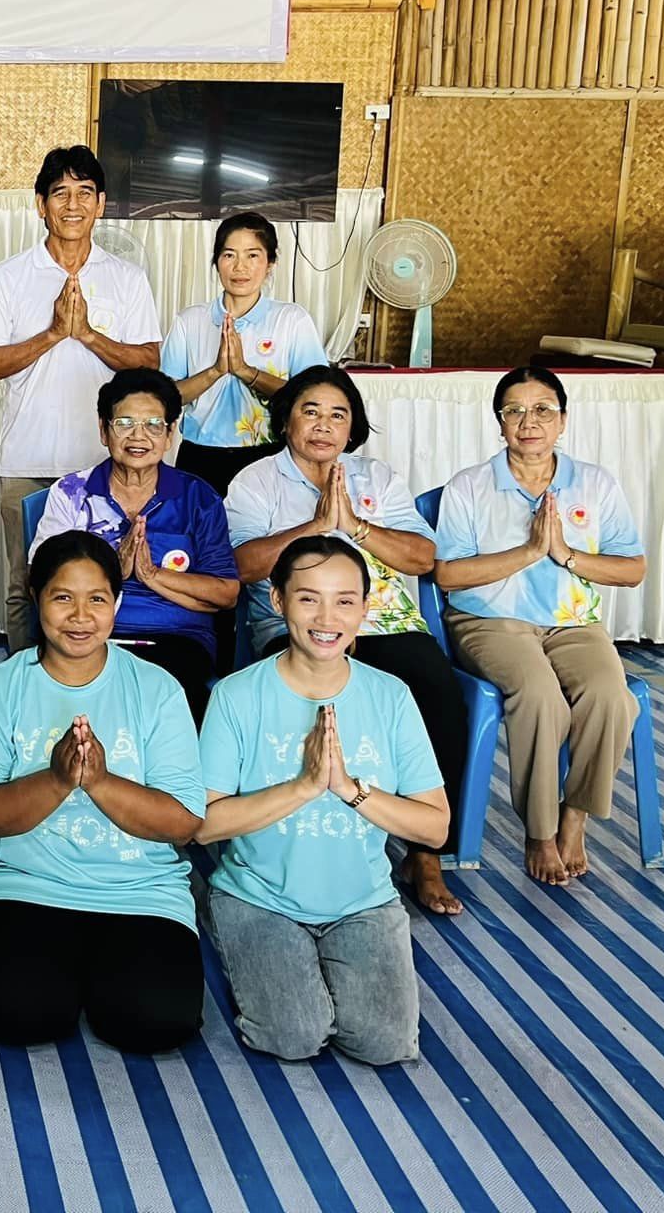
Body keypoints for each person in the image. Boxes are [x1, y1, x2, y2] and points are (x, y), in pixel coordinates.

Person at [225, 365, 468, 916]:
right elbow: (241, 565)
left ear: (352, 426)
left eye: (338, 414)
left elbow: (423, 557)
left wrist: (355, 525)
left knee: (433, 684)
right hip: (294, 620)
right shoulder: (256, 481)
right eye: (310, 411)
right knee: (303, 690)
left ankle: (426, 854)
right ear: (285, 419)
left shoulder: (376, 478)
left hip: (379, 617)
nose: (323, 425)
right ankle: (287, 837)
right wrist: (312, 526)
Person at [197, 537, 448, 1065]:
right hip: (259, 899)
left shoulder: (391, 696)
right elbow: (204, 825)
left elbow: (434, 829)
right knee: (295, 1036)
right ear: (277, 600)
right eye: (308, 598)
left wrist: (349, 789)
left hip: (365, 903)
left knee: (384, 1044)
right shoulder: (237, 696)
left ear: (365, 606)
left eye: (345, 600)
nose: (327, 617)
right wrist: (304, 787)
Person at [0, 531, 206, 1053]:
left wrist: (100, 783)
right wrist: (56, 781)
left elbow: (183, 823)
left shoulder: (156, 688)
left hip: (140, 891)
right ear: (36, 597)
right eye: (62, 597)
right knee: (20, 1016)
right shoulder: (0, 686)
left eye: (97, 599)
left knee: (155, 1023)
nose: (80, 616)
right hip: (26, 884)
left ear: (117, 603)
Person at [432, 366, 647, 888]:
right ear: (500, 423)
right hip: (490, 620)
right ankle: (540, 830)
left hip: (573, 623)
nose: (530, 421)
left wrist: (566, 556)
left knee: (611, 697)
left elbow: (632, 569)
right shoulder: (470, 487)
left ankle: (575, 814)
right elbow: (448, 575)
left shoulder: (594, 483)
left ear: (563, 420)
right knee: (540, 696)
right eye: (515, 411)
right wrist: (528, 552)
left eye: (543, 409)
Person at [0, 146, 161, 650]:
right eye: (60, 193)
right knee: (26, 583)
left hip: (105, 462)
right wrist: (54, 333)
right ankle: (22, 689)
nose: (72, 205)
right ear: (40, 204)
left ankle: (94, 689)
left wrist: (90, 335)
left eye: (84, 193)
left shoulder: (127, 277)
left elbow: (149, 364)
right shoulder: (9, 276)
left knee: (104, 584)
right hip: (26, 459)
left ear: (100, 204)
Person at [27, 369, 237, 718]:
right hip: (87, 631)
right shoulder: (71, 493)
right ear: (103, 430)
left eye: (154, 425)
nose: (138, 436)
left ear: (170, 434)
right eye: (124, 423)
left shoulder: (198, 497)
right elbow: (38, 580)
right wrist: (114, 570)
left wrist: (152, 575)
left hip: (178, 639)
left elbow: (225, 594)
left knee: (170, 701)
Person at [160, 211, 328, 495]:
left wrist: (247, 372)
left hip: (269, 454)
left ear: (270, 263)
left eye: (252, 255)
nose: (240, 267)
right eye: (229, 255)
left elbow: (313, 399)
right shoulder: (189, 321)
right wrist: (215, 372)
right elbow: (165, 400)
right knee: (200, 537)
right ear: (216, 262)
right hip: (200, 457)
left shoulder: (292, 320)